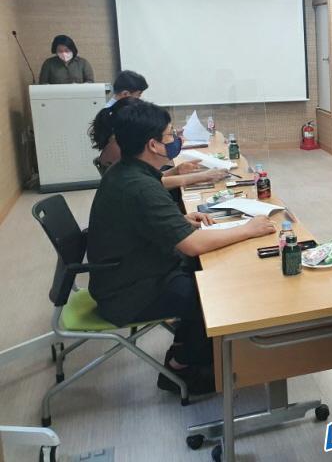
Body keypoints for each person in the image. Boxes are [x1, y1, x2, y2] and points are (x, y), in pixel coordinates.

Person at [87, 101, 276, 394]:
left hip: (130, 272)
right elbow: (192, 245)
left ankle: (186, 347)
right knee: (211, 292)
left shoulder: (127, 171)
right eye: (169, 135)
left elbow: (144, 220)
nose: (176, 139)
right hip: (128, 293)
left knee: (205, 274)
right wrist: (248, 229)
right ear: (152, 145)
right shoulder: (139, 185)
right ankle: (184, 367)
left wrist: (180, 220)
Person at [88, 97, 226, 188]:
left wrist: (177, 170)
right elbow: (147, 184)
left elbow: (147, 179)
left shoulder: (120, 143)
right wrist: (201, 177)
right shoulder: (121, 147)